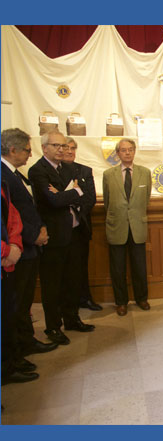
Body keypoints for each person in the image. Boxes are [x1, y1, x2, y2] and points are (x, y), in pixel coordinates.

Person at [29, 130, 95, 345]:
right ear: (44, 147)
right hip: (54, 236)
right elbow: (53, 201)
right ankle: (53, 327)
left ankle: (72, 318)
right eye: (56, 145)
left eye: (63, 145)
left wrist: (67, 193)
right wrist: (72, 193)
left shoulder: (68, 168)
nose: (61, 149)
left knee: (73, 280)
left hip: (75, 231)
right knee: (53, 284)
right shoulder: (38, 170)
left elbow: (82, 192)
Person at [1, 128, 57, 356]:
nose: (29, 155)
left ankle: (25, 343)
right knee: (16, 303)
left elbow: (27, 208)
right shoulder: (4, 175)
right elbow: (10, 217)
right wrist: (33, 235)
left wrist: (40, 228)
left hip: (28, 246)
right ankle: (15, 353)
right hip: (17, 249)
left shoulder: (13, 173)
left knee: (22, 303)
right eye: (26, 150)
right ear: (12, 149)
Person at [102, 138, 152, 316]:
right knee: (118, 267)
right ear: (118, 153)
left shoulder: (145, 173)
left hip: (137, 225)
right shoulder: (109, 174)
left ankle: (141, 298)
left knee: (139, 266)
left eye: (130, 149)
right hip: (117, 226)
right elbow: (108, 202)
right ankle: (121, 302)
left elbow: (145, 199)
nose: (127, 153)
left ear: (135, 151)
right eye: (123, 150)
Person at [1, 180, 39, 385]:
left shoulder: (4, 182)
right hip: (6, 256)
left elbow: (13, 217)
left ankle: (9, 364)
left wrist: (14, 246)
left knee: (9, 315)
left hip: (10, 259)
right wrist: (6, 251)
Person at [63, 137, 101, 311]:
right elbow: (51, 200)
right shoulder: (52, 172)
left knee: (81, 265)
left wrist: (75, 205)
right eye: (66, 148)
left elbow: (90, 198)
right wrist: (69, 199)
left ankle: (85, 298)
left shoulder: (85, 171)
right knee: (63, 269)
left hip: (81, 226)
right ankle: (64, 303)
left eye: (73, 148)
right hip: (60, 228)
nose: (70, 151)